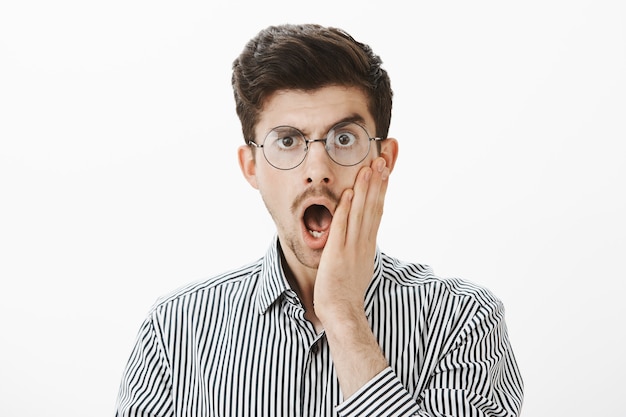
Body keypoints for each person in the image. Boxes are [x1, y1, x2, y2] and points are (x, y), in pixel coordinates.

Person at [115, 23, 524, 416]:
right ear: (252, 166)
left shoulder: (464, 321)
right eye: (288, 141)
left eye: (343, 138)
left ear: (384, 159)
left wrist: (343, 313)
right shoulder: (174, 330)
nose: (317, 170)